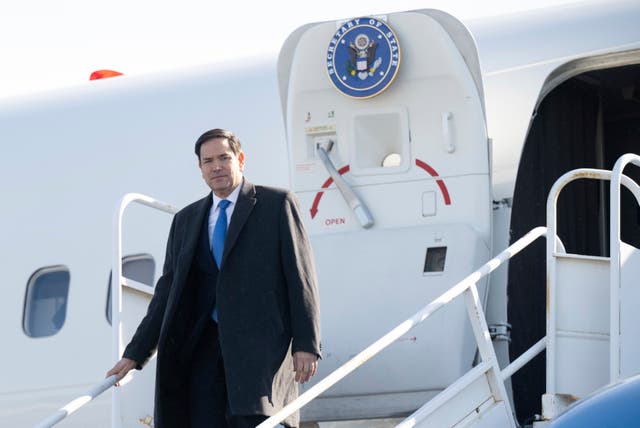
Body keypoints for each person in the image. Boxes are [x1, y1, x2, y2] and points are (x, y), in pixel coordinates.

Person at [107, 128, 321, 428]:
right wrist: (135, 354)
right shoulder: (186, 220)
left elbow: (301, 277)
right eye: (208, 161)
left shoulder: (276, 204)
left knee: (256, 419)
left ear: (240, 159)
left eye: (224, 157)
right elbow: (168, 292)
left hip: (260, 351)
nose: (216, 166)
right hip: (202, 348)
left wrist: (307, 343)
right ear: (200, 168)